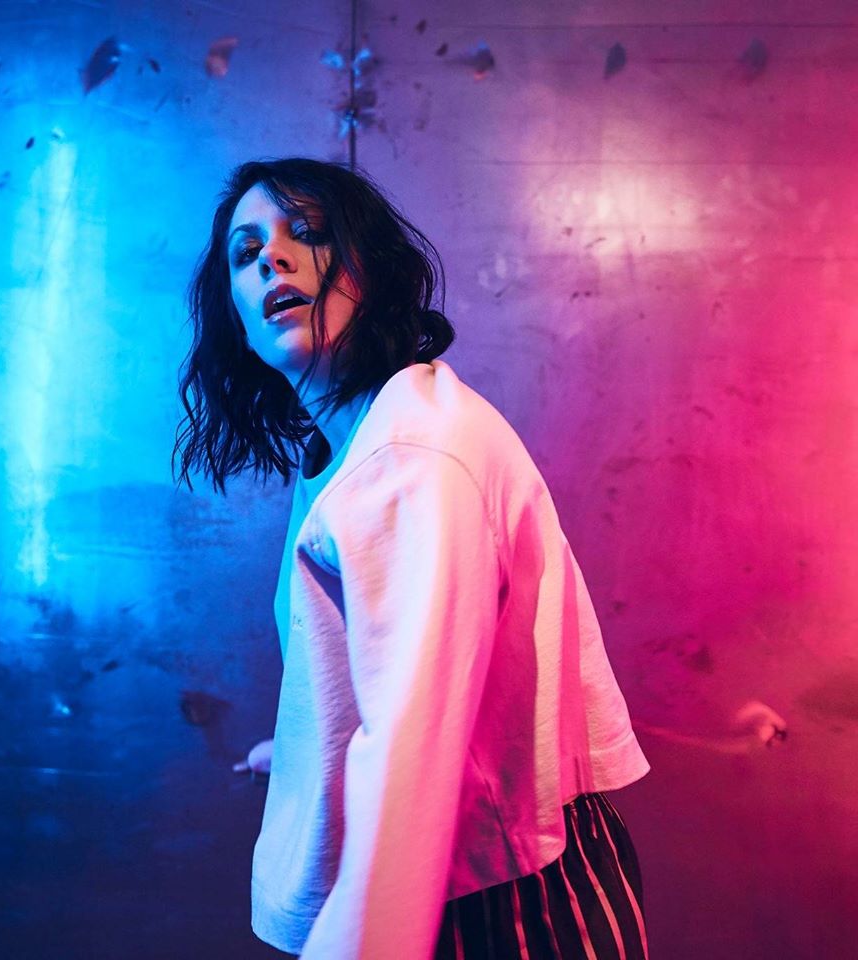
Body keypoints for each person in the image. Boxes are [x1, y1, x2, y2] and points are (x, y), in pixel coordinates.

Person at [173, 157, 651, 960]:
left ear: (371, 267)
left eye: (307, 234)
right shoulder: (356, 437)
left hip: (503, 893)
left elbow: (411, 758)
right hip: (471, 868)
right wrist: (309, 757)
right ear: (236, 318)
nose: (272, 260)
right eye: (245, 254)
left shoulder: (412, 455)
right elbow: (400, 678)